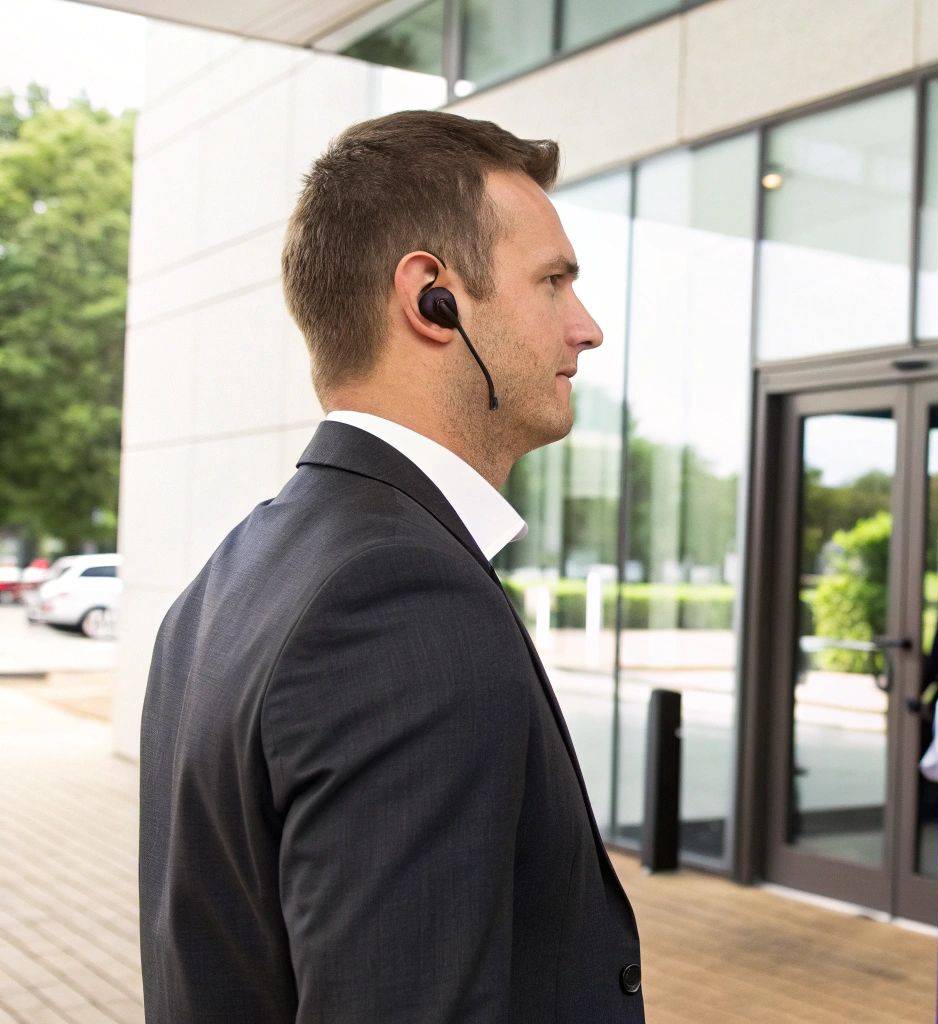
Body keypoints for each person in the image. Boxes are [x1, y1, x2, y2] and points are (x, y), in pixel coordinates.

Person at [138, 111, 644, 1021]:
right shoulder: (399, 600)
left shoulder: (232, 578)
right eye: (554, 282)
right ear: (431, 298)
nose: (588, 328)